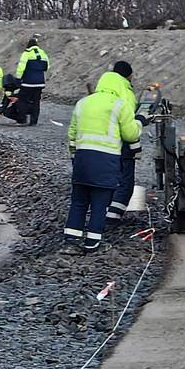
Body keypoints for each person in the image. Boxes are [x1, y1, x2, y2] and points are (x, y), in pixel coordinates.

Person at [64, 73, 141, 256]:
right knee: (100, 203)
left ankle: (71, 242)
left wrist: (75, 157)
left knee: (79, 202)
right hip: (106, 161)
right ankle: (92, 243)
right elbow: (131, 135)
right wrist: (139, 122)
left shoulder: (83, 103)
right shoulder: (119, 104)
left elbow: (72, 134)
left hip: (82, 160)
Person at [93, 60, 143, 225]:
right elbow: (128, 124)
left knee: (107, 179)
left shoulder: (101, 89)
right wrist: (136, 146)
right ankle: (113, 217)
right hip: (120, 143)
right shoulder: (126, 92)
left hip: (100, 144)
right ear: (129, 75)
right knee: (125, 181)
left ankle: (102, 212)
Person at [12, 35, 50, 126]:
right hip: (40, 83)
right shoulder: (43, 53)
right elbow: (47, 67)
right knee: (36, 102)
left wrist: (18, 79)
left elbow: (21, 68)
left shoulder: (26, 53)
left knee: (22, 100)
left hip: (28, 82)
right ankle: (34, 121)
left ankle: (22, 119)